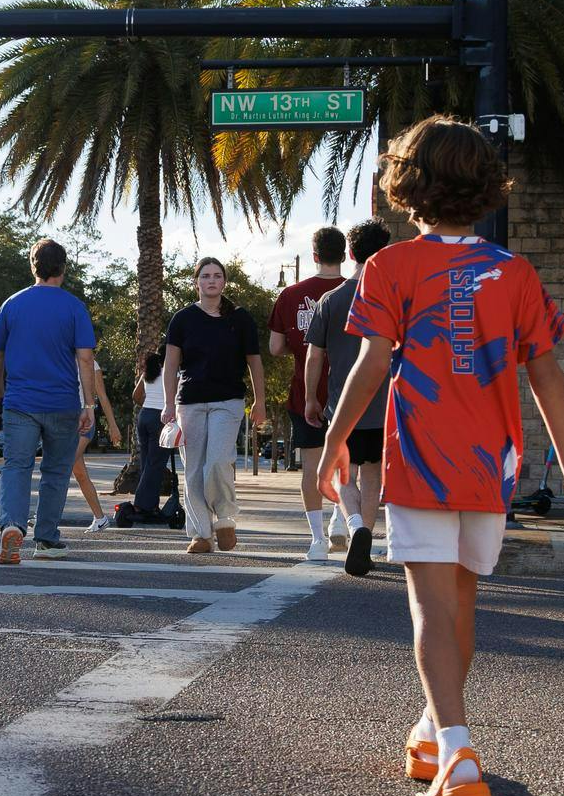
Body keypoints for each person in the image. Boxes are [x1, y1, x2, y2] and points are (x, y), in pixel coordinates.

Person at [316, 116, 564, 796]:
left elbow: (372, 362)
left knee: (429, 609)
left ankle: (458, 753)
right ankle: (430, 729)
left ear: (407, 186)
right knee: (461, 606)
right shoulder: (517, 272)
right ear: (485, 187)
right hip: (490, 464)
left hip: (420, 460)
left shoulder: (390, 268)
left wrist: (335, 442)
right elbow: (548, 376)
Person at [0, 238, 97, 564]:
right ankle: (47, 539)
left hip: (19, 403)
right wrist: (88, 405)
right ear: (63, 269)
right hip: (62, 403)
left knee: (16, 467)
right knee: (56, 472)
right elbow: (86, 358)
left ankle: (12, 525)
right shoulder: (74, 307)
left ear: (33, 266)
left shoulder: (12, 304)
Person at [305, 219, 395, 576]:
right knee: (372, 475)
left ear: (351, 253)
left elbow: (314, 355)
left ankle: (355, 525)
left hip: (343, 402)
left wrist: (311, 398)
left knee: (347, 474)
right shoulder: (392, 299)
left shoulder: (332, 299)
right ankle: (367, 537)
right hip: (383, 403)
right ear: (383, 254)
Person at [165, 258, 266, 554]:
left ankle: (224, 520)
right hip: (190, 403)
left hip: (228, 401)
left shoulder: (241, 318)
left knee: (219, 462)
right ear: (196, 282)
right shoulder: (182, 319)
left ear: (224, 282)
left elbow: (255, 363)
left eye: (217, 276)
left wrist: (259, 401)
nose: (211, 280)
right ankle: (201, 534)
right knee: (194, 471)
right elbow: (171, 365)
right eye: (206, 276)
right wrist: (168, 405)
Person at [269, 227, 350, 561]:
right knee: (349, 465)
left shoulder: (290, 295)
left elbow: (275, 347)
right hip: (349, 391)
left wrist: (303, 349)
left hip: (305, 393)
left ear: (314, 256)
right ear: (344, 255)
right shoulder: (356, 292)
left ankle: (317, 540)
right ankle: (339, 522)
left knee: (312, 467)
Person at [125, 349, 183, 527]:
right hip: (160, 418)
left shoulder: (149, 373)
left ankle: (150, 505)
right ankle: (142, 504)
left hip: (145, 416)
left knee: (146, 462)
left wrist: (149, 405)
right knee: (156, 463)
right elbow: (179, 397)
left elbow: (136, 396)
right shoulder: (174, 373)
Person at [71, 361, 126, 531]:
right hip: (64, 418)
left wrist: (113, 426)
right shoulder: (59, 356)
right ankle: (100, 518)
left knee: (61, 465)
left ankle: (43, 515)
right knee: (79, 473)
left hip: (85, 420)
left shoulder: (90, 364)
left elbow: (102, 396)